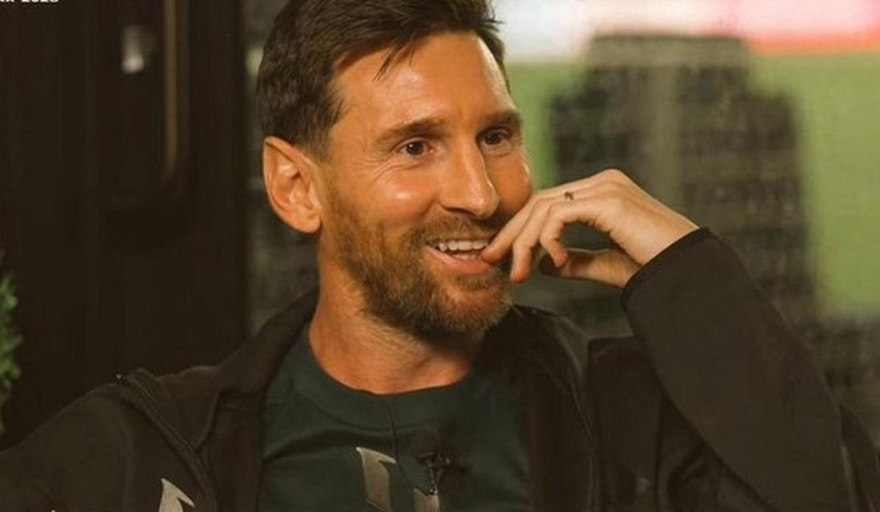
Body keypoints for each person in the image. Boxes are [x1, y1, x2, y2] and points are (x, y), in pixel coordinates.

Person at [1, 0, 878, 510]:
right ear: (296, 187)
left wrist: (687, 273)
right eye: (415, 146)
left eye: (496, 136)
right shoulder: (136, 456)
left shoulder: (634, 423)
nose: (481, 192)